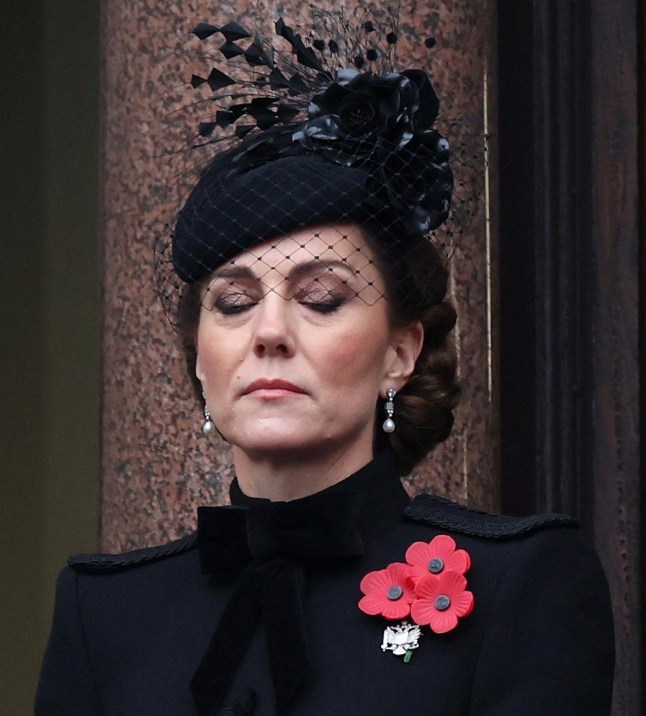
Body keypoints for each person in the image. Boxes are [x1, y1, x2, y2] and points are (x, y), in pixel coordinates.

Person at [36, 13, 614, 716]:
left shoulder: (518, 584)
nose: (270, 332)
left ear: (400, 352)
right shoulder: (105, 613)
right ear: (199, 359)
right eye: (234, 303)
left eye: (321, 298)